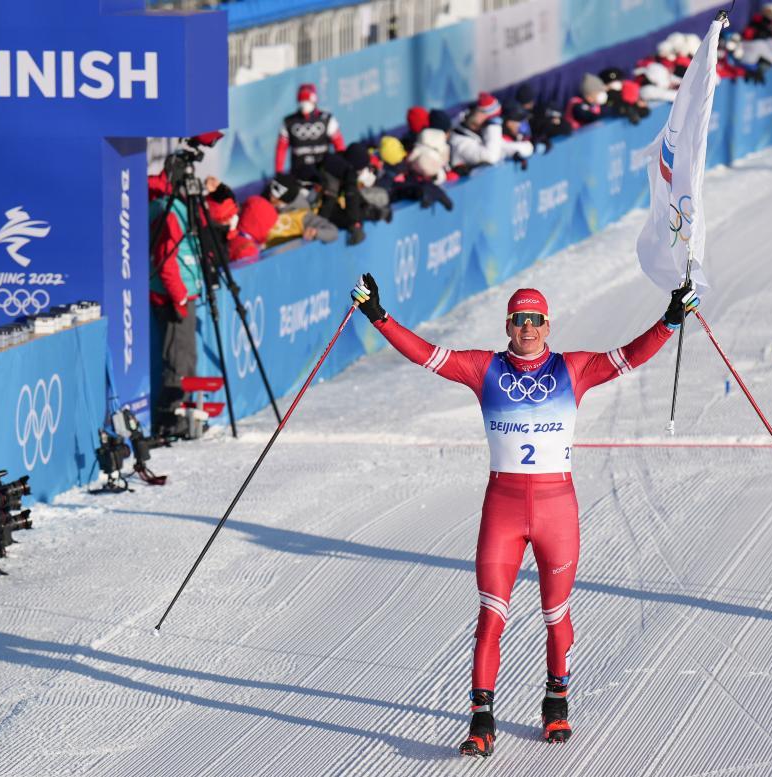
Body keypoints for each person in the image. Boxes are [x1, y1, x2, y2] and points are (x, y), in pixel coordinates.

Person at [349, 273, 699, 758]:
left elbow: (629, 356)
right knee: (491, 617)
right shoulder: (484, 368)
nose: (527, 328)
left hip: (557, 509)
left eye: (535, 320)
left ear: (547, 324)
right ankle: (481, 719)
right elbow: (426, 354)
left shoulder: (572, 369)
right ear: (508, 324)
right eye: (519, 320)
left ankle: (556, 703)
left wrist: (669, 321)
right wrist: (380, 318)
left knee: (555, 613)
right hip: (504, 509)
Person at [148, 184, 204, 438]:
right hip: (172, 298)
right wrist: (179, 297)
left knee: (185, 358)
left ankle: (181, 414)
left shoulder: (182, 208)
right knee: (177, 361)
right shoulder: (168, 211)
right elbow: (165, 258)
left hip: (181, 293)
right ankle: (170, 418)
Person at [274, 82, 346, 182]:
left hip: (323, 170)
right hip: (299, 173)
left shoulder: (327, 119)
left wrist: (341, 167)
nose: (304, 105)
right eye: (302, 101)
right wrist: (279, 173)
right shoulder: (289, 121)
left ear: (314, 101)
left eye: (307, 101)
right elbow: (281, 149)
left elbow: (339, 146)